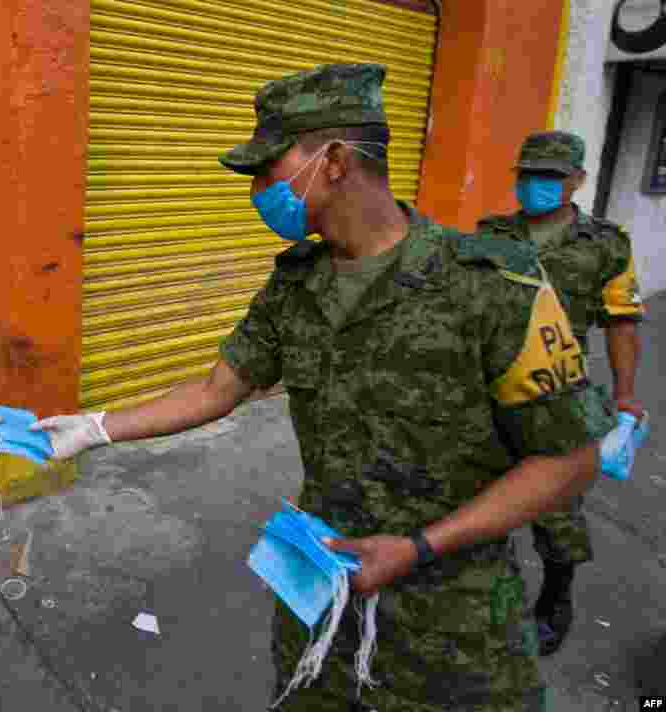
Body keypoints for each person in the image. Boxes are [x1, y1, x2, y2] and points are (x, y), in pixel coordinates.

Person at [33, 64, 613, 711]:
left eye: (267, 168)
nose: (257, 190)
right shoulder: (297, 284)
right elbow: (217, 388)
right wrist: (93, 427)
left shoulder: (492, 285)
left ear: (334, 160)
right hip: (319, 595)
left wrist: (420, 546)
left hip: (456, 624)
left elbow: (569, 459)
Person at [477, 131, 646, 656]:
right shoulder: (491, 232)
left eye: (550, 176)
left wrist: (624, 395)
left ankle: (555, 601)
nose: (537, 185)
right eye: (529, 175)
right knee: (474, 493)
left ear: (577, 180)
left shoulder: (606, 244)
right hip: (486, 388)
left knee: (556, 510)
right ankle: (479, 595)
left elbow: (621, 322)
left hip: (558, 393)